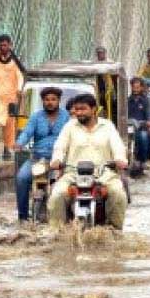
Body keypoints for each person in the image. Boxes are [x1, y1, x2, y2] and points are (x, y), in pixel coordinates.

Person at [48, 94, 128, 229]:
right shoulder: (69, 126)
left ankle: (115, 231)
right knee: (57, 195)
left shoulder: (107, 126)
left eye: (83, 109)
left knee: (118, 193)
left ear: (93, 109)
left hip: (104, 174)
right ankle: (57, 233)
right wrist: (57, 159)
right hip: (73, 173)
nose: (79, 113)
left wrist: (120, 159)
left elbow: (118, 146)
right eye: (76, 109)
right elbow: (60, 146)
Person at [14, 87, 70, 222]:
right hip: (38, 158)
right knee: (21, 178)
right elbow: (27, 132)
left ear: (59, 101)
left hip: (61, 160)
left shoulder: (66, 117)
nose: (50, 102)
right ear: (43, 101)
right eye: (47, 100)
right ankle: (23, 217)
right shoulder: (36, 116)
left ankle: (68, 216)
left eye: (53, 99)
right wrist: (19, 143)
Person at [127, 77, 150, 168]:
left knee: (143, 137)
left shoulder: (148, 100)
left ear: (142, 88)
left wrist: (149, 123)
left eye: (138, 87)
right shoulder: (127, 100)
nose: (135, 89)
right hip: (128, 127)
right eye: (133, 87)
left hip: (142, 127)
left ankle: (144, 160)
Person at [95, 46, 116, 121]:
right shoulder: (95, 63)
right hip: (99, 86)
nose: (100, 55)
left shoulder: (110, 62)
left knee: (111, 102)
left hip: (109, 87)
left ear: (105, 53)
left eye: (101, 53)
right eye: (99, 53)